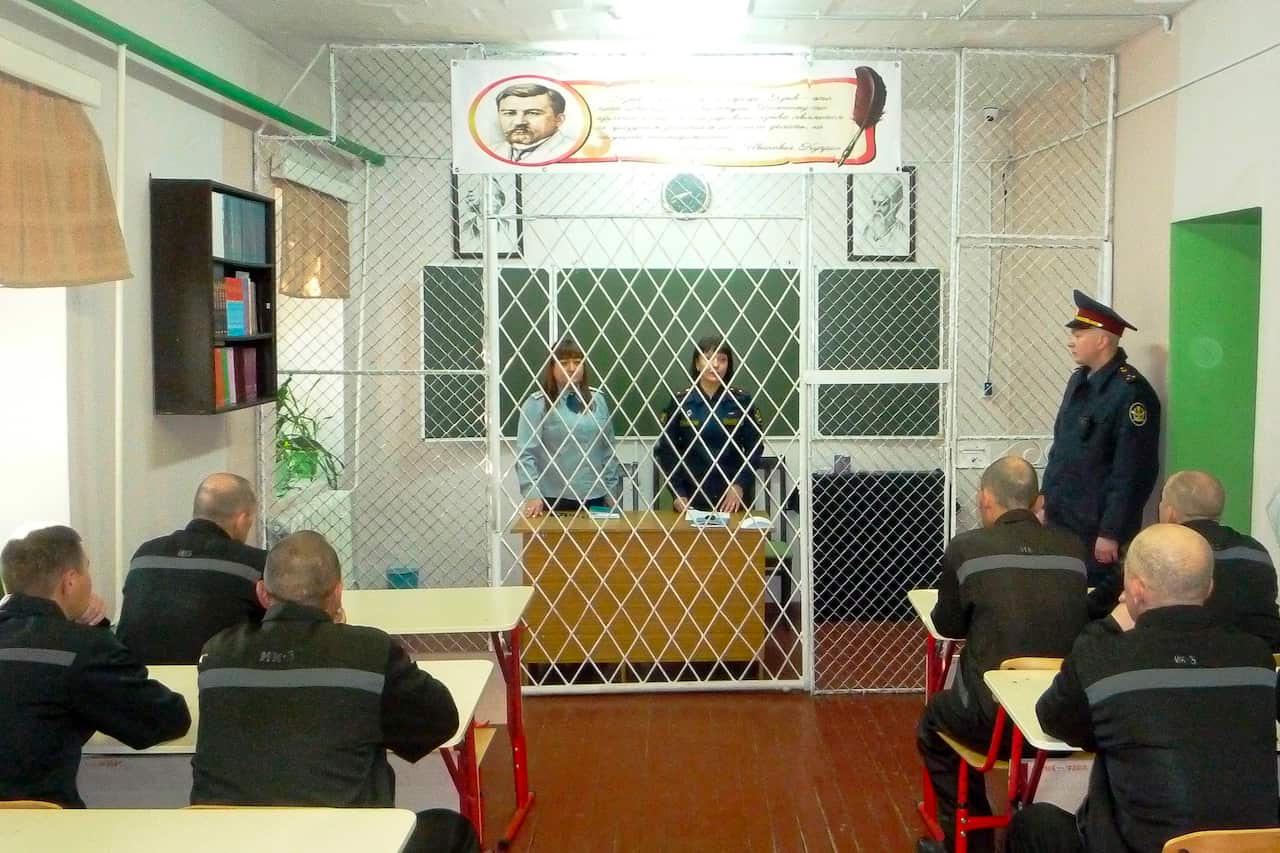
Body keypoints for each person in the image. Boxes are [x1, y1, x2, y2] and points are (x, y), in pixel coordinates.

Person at [191, 531, 477, 853]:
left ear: (262, 593)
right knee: (451, 830)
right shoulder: (368, 650)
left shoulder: (215, 654)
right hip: (342, 842)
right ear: (338, 594)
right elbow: (440, 723)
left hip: (224, 842)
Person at [1007, 524, 1278, 853]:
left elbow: (1053, 719)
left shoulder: (1103, 657)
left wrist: (1108, 626)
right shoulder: (1256, 658)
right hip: (1255, 847)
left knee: (1032, 824)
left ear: (1134, 590)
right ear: (1208, 587)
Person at [916, 457, 1089, 853]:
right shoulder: (1073, 549)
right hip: (1062, 723)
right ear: (1037, 501)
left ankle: (971, 841)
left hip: (994, 725)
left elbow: (949, 625)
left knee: (933, 721)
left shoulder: (967, 548)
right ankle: (1024, 810)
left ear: (984, 499)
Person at [0, 525, 191, 807]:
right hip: (40, 827)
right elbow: (167, 718)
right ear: (70, 582)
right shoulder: (80, 650)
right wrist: (96, 633)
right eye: (87, 571)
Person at [1040, 289, 1160, 617]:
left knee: (1094, 610)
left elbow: (1133, 471)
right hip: (1063, 521)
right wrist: (1045, 501)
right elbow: (1062, 451)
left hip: (1096, 533)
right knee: (1062, 603)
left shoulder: (1131, 393)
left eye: (1079, 335)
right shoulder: (1079, 382)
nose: (1071, 341)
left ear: (1103, 340)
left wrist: (1111, 531)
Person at [1112, 470, 1280, 648]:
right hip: (1265, 659)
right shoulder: (1256, 550)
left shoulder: (1154, 552)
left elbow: (1101, 605)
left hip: (1190, 656)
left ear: (1170, 513)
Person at [116, 473, 268, 664]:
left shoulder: (145, 555)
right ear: (242, 518)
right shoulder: (255, 564)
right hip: (212, 685)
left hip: (139, 682)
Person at [656, 336, 764, 513]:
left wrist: (739, 485)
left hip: (733, 499)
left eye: (722, 359)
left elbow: (755, 449)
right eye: (708, 358)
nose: (715, 365)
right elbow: (667, 452)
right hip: (691, 498)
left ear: (728, 365)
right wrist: (677, 493)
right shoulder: (681, 402)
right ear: (697, 364)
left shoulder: (741, 401)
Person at [517, 338, 623, 517]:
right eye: (564, 363)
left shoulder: (598, 401)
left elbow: (608, 450)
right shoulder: (538, 404)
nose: (572, 368)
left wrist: (612, 491)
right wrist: (532, 494)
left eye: (577, 362)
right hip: (553, 498)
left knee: (598, 545)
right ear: (552, 367)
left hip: (596, 497)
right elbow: (526, 454)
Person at [494, 83, 579, 164]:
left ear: (558, 120)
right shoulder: (493, 151)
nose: (519, 122)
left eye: (533, 113)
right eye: (509, 113)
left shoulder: (574, 150)